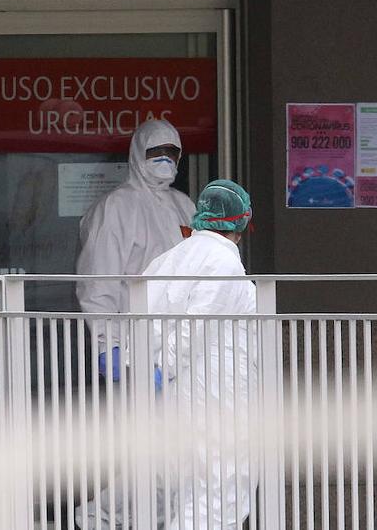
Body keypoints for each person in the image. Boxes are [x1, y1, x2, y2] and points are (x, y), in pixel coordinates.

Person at [147, 180, 257, 530]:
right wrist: (167, 366)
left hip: (178, 395)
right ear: (242, 221)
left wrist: (155, 372)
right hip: (217, 393)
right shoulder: (223, 263)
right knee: (222, 487)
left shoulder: (168, 259)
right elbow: (195, 326)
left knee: (190, 488)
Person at [76, 119, 196, 380]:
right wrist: (108, 345)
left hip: (184, 345)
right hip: (134, 340)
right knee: (134, 418)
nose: (164, 159)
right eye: (155, 152)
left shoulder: (184, 205)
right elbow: (99, 281)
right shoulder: (116, 207)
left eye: (171, 152)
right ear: (138, 153)